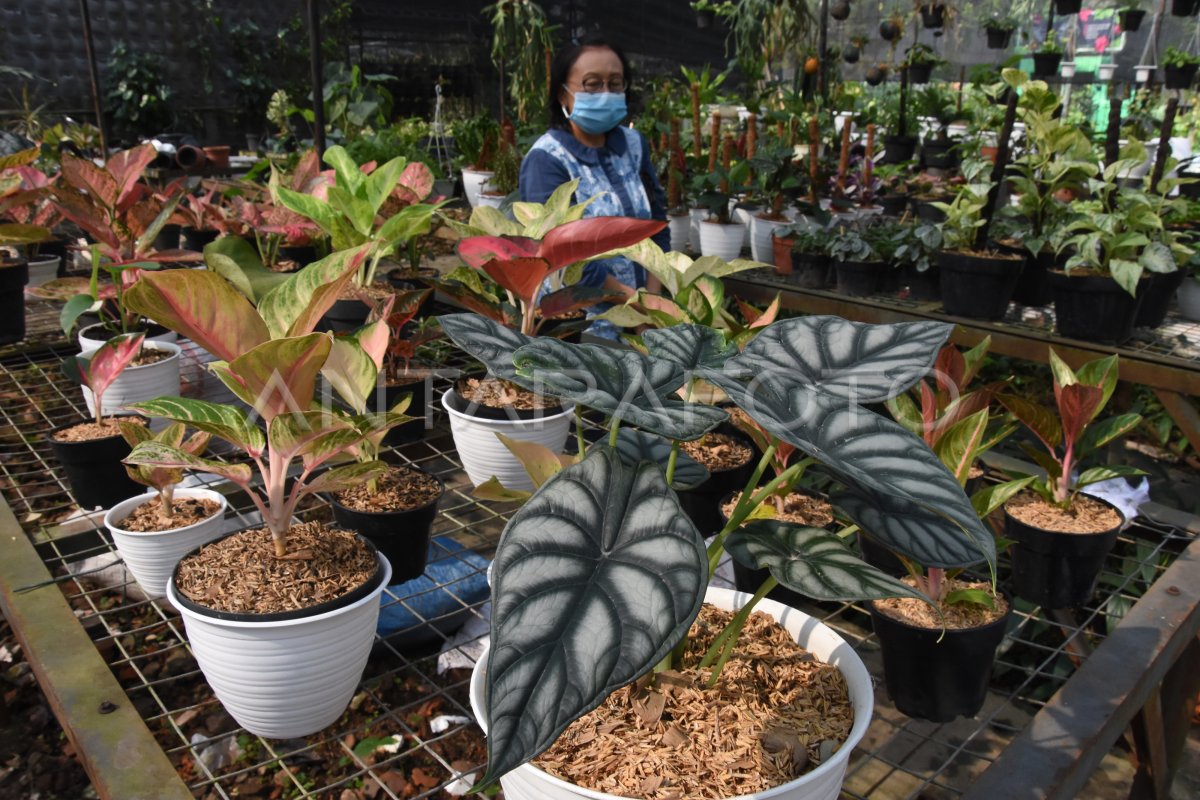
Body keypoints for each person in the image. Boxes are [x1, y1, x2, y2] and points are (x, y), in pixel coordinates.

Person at [519, 34, 669, 338]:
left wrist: (654, 302)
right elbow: (561, 256)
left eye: (615, 83)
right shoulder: (547, 160)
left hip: (646, 318)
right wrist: (635, 306)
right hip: (582, 328)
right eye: (591, 83)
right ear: (563, 94)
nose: (605, 92)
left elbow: (658, 224)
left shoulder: (634, 145)